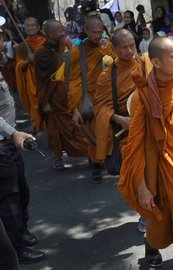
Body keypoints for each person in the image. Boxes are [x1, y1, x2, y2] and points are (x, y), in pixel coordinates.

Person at [118, 37, 173, 268]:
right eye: (172, 56)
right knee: (160, 216)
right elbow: (134, 145)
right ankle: (151, 245)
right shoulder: (143, 97)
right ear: (155, 61)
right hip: (160, 166)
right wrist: (142, 185)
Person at [0, 67, 44, 265]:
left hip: (10, 139)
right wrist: (12, 133)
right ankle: (16, 249)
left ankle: (21, 231)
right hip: (3, 142)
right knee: (9, 201)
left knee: (22, 191)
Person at [34, 20, 88, 170]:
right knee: (55, 128)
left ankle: (91, 153)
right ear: (51, 34)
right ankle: (58, 157)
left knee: (77, 125)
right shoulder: (41, 54)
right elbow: (41, 80)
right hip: (54, 97)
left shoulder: (66, 47)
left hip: (70, 93)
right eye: (59, 30)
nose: (63, 32)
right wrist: (45, 102)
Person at [68, 16, 114, 182]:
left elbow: (115, 64)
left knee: (107, 130)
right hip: (88, 97)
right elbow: (74, 80)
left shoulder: (107, 45)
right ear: (86, 31)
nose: (97, 35)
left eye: (100, 32)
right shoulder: (77, 51)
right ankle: (96, 165)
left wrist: (107, 49)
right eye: (93, 32)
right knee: (93, 132)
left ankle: (103, 159)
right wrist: (74, 108)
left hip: (106, 95)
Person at [93, 29, 142, 169]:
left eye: (132, 45)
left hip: (147, 128)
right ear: (114, 49)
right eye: (124, 47)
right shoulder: (107, 76)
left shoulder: (143, 65)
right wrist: (121, 120)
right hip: (125, 132)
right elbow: (100, 107)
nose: (130, 50)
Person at [15, 17, 46, 133]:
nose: (30, 27)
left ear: (38, 27)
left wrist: (38, 58)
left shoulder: (46, 42)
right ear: (24, 28)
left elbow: (54, 60)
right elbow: (19, 67)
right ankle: (37, 127)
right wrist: (27, 61)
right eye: (27, 25)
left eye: (33, 25)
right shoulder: (22, 47)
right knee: (35, 105)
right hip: (32, 82)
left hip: (46, 80)